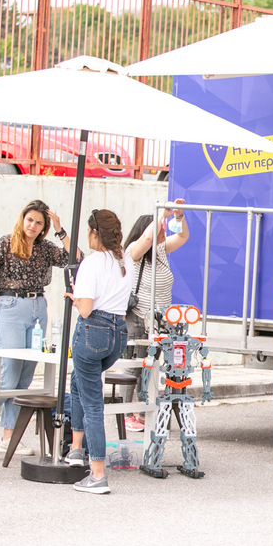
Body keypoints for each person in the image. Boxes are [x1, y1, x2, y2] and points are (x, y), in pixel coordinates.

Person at [0, 200, 75, 455]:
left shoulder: (45, 248)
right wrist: (0, 304)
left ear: (44, 227)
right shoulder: (6, 243)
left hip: (38, 306)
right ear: (22, 219)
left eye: (39, 222)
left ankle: (8, 436)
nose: (33, 225)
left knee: (26, 374)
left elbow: (76, 258)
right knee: (9, 372)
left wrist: (61, 231)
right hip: (11, 305)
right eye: (30, 220)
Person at [64, 209, 133, 495]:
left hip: (93, 331)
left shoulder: (91, 264)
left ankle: (97, 474)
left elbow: (85, 308)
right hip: (117, 335)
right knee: (78, 383)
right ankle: (76, 449)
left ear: (95, 233)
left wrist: (74, 296)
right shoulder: (125, 259)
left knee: (93, 404)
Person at [122, 198, 189, 433]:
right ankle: (127, 414)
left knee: (150, 367)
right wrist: (162, 214)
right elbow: (148, 238)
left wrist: (178, 216)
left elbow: (182, 237)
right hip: (139, 317)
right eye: (160, 229)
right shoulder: (133, 252)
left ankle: (143, 411)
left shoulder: (160, 251)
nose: (163, 233)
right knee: (135, 366)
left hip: (159, 322)